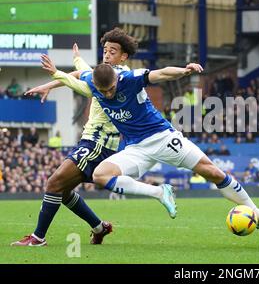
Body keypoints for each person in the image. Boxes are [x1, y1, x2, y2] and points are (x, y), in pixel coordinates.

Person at [44, 57, 259, 231]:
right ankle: (160, 192)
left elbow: (160, 74)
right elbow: (78, 74)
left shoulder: (130, 78)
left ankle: (258, 215)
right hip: (135, 148)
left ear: (116, 80)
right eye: (102, 91)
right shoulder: (93, 82)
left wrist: (184, 71)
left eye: (110, 90)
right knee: (100, 175)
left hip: (162, 137)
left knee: (211, 172)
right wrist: (61, 70)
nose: (107, 95)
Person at [11, 28, 177, 246]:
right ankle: (100, 227)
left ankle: (37, 238)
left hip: (99, 143)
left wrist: (55, 74)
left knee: (54, 183)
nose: (106, 54)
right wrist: (66, 70)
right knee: (64, 191)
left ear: (123, 56)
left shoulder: (118, 77)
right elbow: (83, 72)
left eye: (112, 51)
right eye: (105, 50)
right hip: (92, 141)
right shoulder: (105, 72)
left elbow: (84, 85)